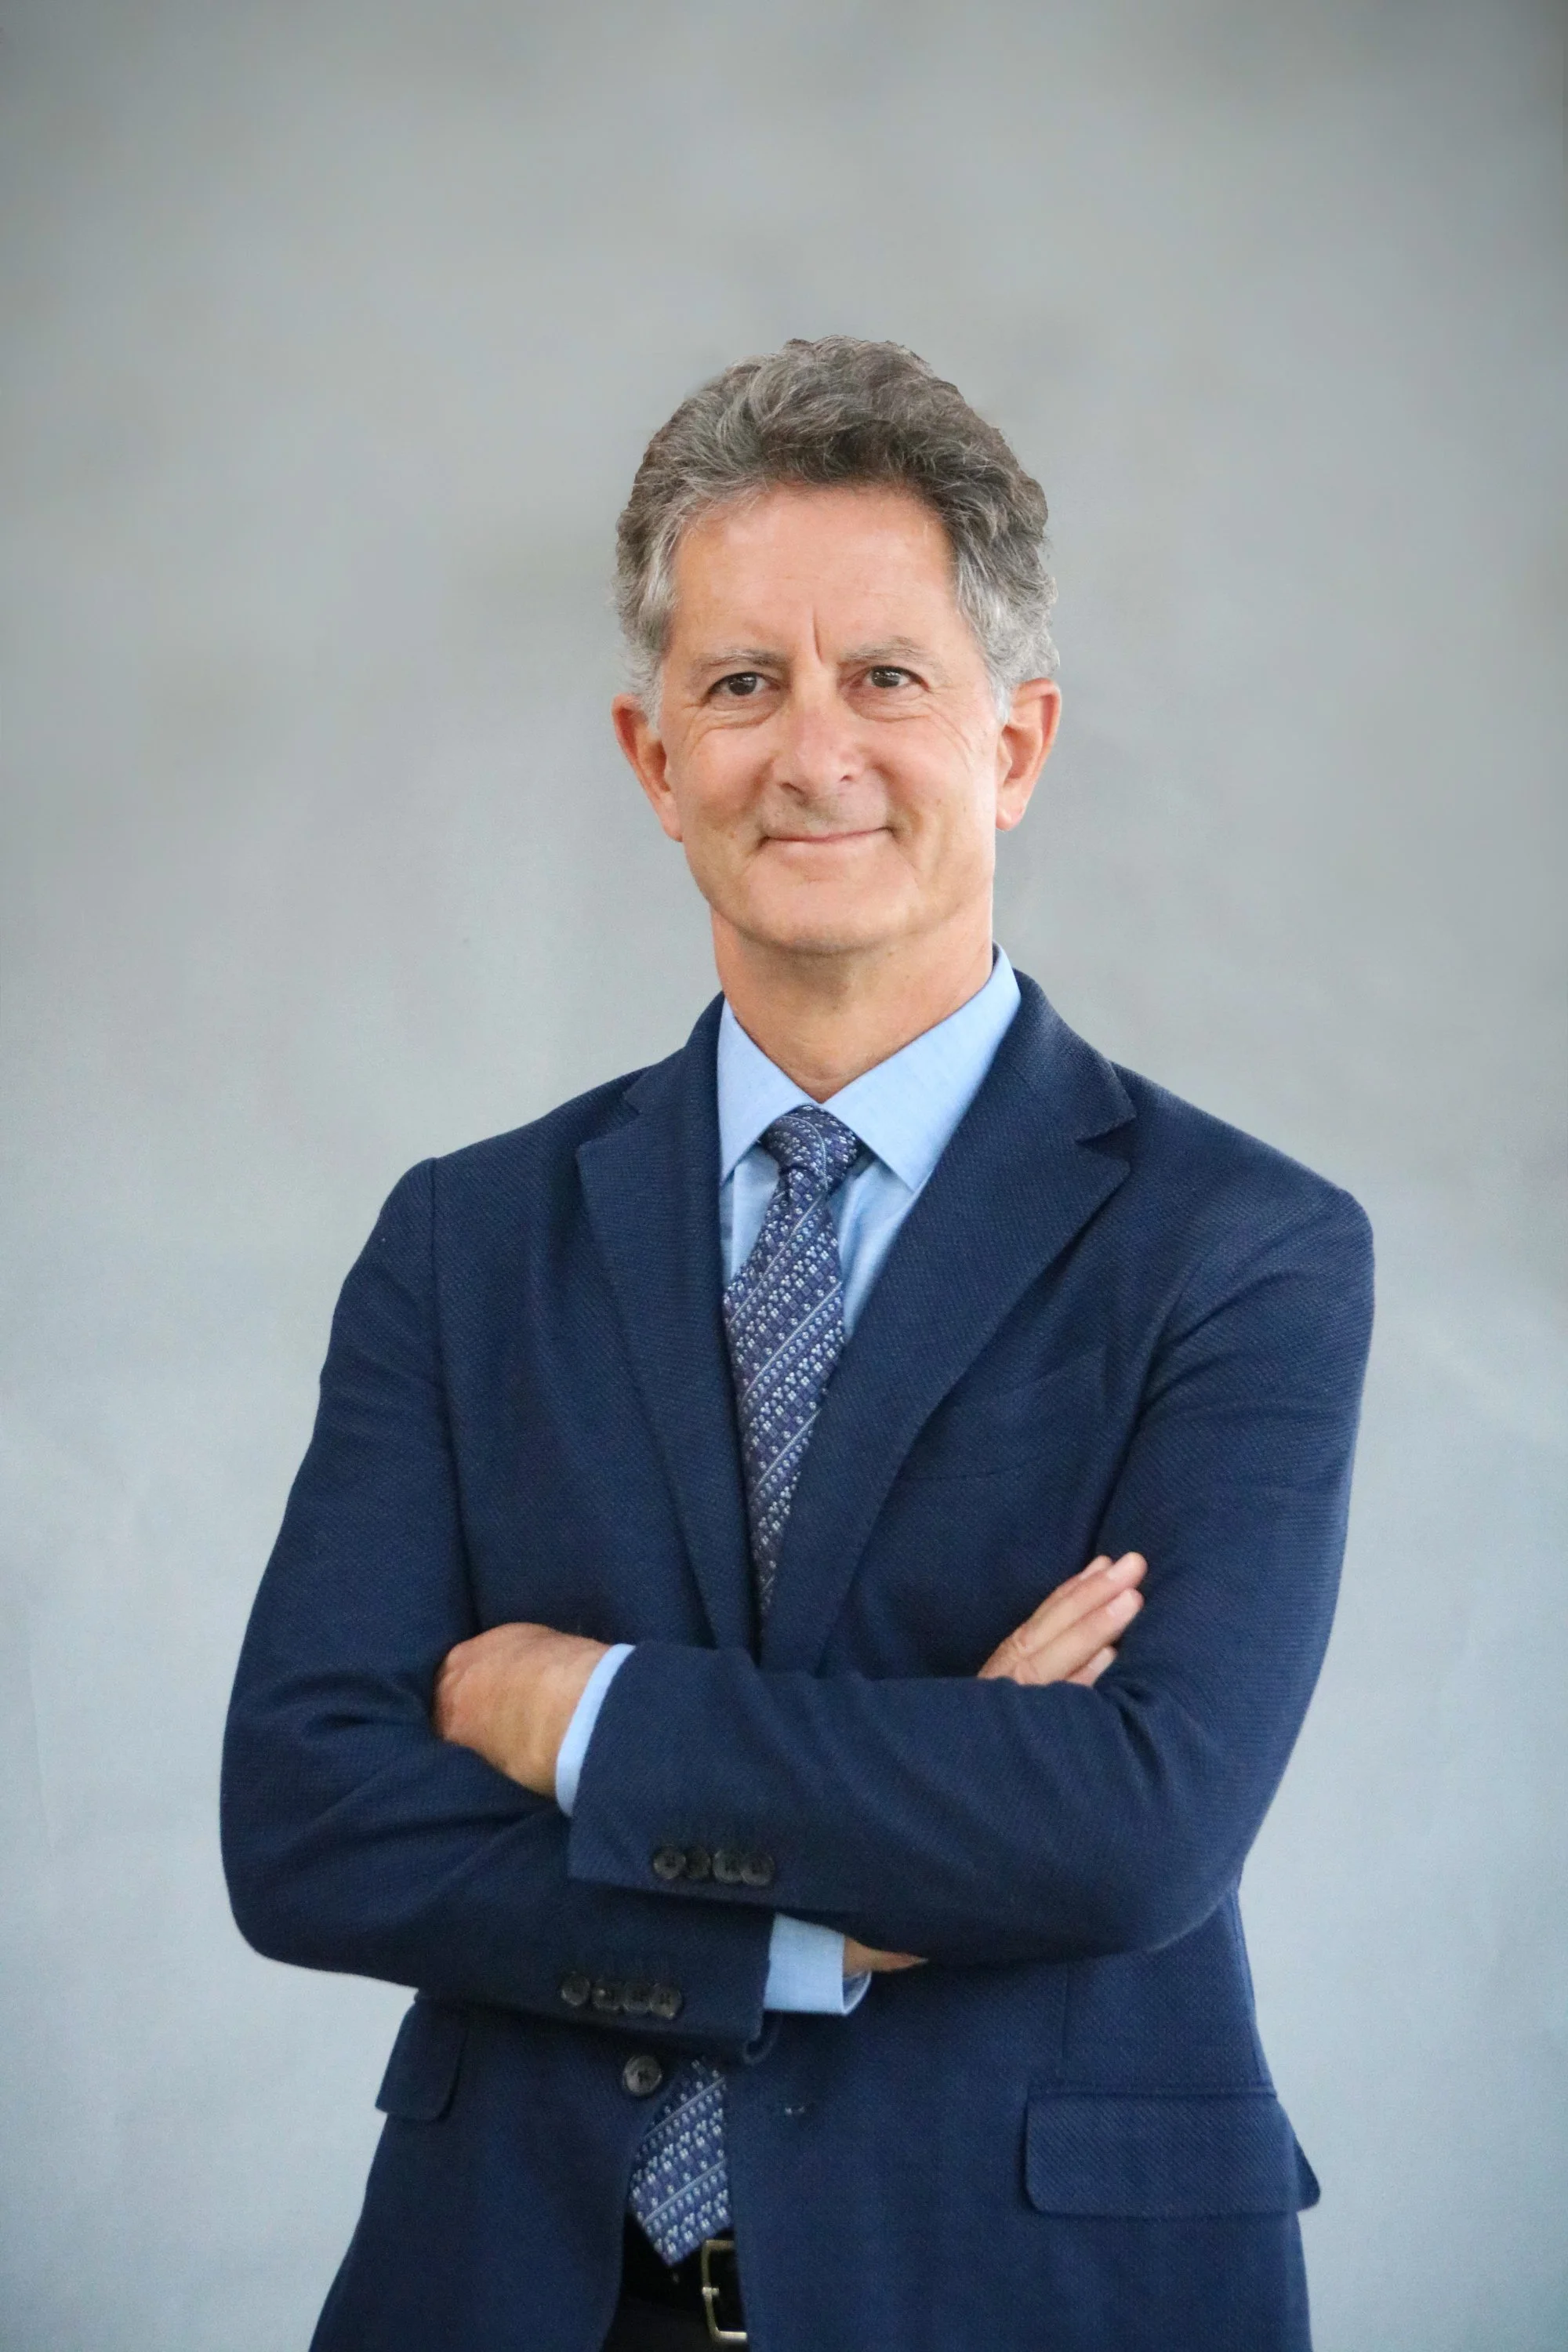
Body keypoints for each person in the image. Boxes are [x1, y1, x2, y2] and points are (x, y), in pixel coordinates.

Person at [221, 336, 1373, 2352]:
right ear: (653, 756)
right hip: (516, 2288)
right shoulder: (465, 1241)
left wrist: (584, 1714)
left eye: (888, 679)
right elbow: (310, 1822)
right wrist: (814, 1929)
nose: (810, 751)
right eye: (742, 683)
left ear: (1014, 744)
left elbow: (1132, 1824)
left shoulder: (1240, 1248)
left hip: (1038, 2295)